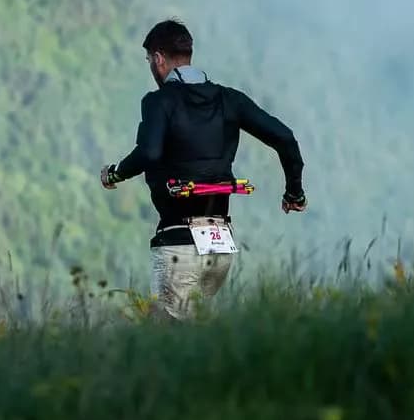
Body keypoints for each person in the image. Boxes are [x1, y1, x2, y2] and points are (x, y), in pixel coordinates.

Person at [101, 18, 306, 321]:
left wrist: (115, 172)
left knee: (164, 337)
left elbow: (149, 152)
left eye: (149, 60)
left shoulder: (159, 102)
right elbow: (285, 138)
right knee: (193, 331)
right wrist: (294, 192)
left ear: (158, 58)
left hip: (179, 242)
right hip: (221, 245)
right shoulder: (229, 99)